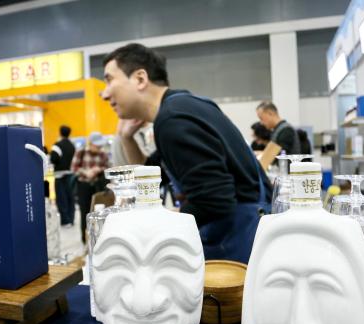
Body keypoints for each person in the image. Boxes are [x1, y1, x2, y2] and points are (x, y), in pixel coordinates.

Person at [101, 43, 271, 263]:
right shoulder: (184, 106)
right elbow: (150, 178)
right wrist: (127, 138)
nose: (104, 94)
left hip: (236, 243)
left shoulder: (173, 120)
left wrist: (157, 230)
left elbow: (215, 200)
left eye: (109, 79)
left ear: (140, 79)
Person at [71, 132, 109, 244]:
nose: (99, 148)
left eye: (100, 146)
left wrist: (99, 169)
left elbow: (107, 167)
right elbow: (73, 168)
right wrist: (86, 172)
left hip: (97, 187)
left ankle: (100, 237)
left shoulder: (103, 155)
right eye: (97, 146)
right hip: (83, 186)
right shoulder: (81, 153)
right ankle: (85, 239)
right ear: (91, 143)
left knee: (99, 210)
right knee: (85, 213)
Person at [49, 125, 76, 226]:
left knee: (61, 198)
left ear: (60, 133)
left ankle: (65, 221)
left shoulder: (57, 145)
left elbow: (53, 159)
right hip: (70, 175)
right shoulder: (72, 146)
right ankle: (71, 219)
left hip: (59, 176)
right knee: (70, 197)